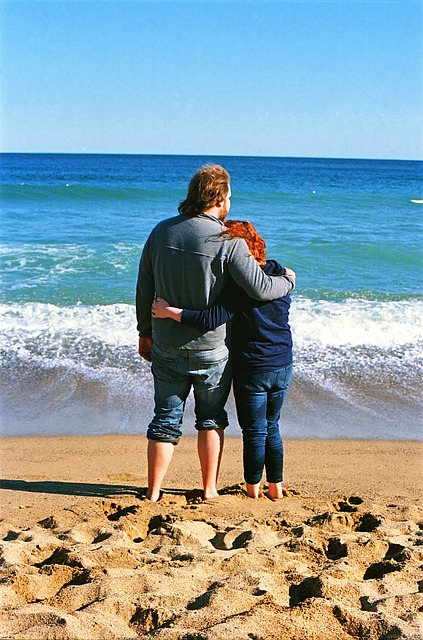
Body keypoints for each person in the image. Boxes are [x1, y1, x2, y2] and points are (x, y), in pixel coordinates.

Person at [136, 164, 294, 502]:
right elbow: (261, 289)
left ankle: (153, 492)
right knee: (210, 418)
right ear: (219, 198)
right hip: (213, 349)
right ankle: (209, 490)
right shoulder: (228, 240)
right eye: (229, 198)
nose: (230, 204)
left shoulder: (160, 232)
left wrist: (144, 332)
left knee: (164, 419)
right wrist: (290, 280)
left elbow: (144, 287)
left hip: (166, 343)